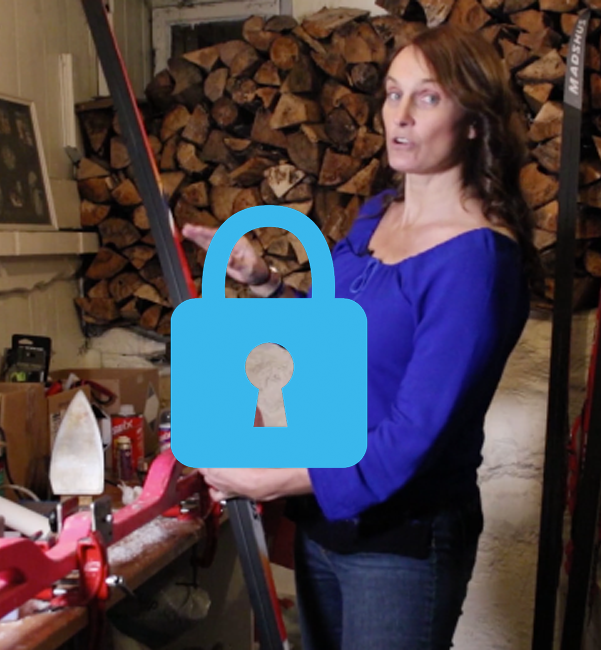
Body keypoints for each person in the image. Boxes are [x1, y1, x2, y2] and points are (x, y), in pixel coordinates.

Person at [180, 23, 537, 650]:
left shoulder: (477, 263)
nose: (401, 115)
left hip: (400, 540)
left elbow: (411, 437)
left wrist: (273, 479)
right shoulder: (378, 214)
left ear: (473, 122)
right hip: (326, 520)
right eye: (393, 93)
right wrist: (264, 282)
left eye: (427, 97)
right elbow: (333, 346)